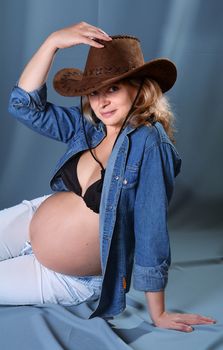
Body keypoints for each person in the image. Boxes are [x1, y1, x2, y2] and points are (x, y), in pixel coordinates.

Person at [2, 21, 214, 332]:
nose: (101, 102)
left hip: (66, 276)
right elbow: (23, 107)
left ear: (140, 87)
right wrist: (52, 43)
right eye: (94, 92)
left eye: (112, 88)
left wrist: (159, 313)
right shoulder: (89, 125)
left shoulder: (150, 144)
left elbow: (151, 228)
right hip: (30, 221)